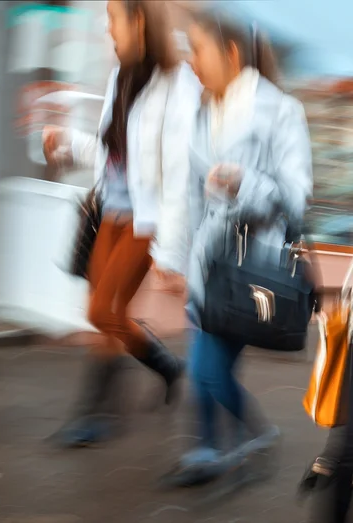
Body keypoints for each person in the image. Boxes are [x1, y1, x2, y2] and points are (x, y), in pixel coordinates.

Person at [42, 0, 201, 448]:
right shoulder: (120, 76)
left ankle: (96, 414)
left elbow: (178, 175)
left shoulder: (177, 85)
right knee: (99, 313)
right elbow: (110, 150)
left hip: (145, 219)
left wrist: (170, 254)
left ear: (138, 21)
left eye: (113, 18)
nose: (107, 27)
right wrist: (70, 143)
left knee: (108, 310)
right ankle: (167, 366)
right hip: (110, 210)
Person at [179, 13, 313, 471]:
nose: (190, 60)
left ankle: (248, 436)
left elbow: (295, 198)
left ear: (231, 54)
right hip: (207, 264)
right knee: (206, 368)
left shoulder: (281, 111)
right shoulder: (201, 112)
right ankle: (211, 447)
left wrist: (243, 184)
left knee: (205, 369)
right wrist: (178, 259)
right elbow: (191, 196)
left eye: (198, 49)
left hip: (251, 267)